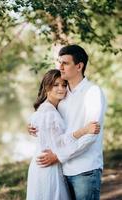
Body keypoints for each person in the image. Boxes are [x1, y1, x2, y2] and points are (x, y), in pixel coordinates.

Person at [28, 45, 107, 200]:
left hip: (85, 170)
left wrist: (59, 156)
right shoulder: (63, 95)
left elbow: (91, 135)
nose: (60, 67)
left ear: (79, 66)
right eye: (60, 63)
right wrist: (33, 126)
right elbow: (48, 118)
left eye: (65, 63)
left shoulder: (92, 92)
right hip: (63, 171)